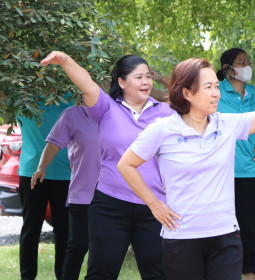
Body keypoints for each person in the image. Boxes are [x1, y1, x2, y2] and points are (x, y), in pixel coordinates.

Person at [117, 53, 255, 280]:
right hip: (182, 238)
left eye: (216, 86)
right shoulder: (163, 129)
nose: (216, 93)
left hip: (225, 237)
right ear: (187, 92)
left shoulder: (226, 124)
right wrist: (154, 204)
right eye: (208, 87)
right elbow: (126, 164)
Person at [40, 51, 173, 280]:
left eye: (148, 76)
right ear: (121, 82)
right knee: (101, 273)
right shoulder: (106, 109)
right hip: (110, 205)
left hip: (155, 207)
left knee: (159, 274)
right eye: (139, 77)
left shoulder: (166, 112)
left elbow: (188, 94)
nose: (146, 82)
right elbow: (87, 85)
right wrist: (66, 60)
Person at [216, 47, 255, 280]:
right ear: (228, 69)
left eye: (248, 62)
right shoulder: (216, 92)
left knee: (248, 227)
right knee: (221, 227)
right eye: (241, 62)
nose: (247, 66)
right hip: (219, 173)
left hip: (248, 172)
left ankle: (249, 275)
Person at [30, 105, 101, 280]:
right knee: (78, 245)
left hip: (112, 193)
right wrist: (41, 168)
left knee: (103, 249)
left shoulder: (118, 113)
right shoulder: (73, 114)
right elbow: (54, 144)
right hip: (82, 194)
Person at [18, 96, 73, 280]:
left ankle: (64, 276)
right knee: (31, 229)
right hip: (31, 172)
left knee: (64, 230)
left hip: (65, 174)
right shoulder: (23, 95)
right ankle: (27, 277)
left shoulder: (72, 96)